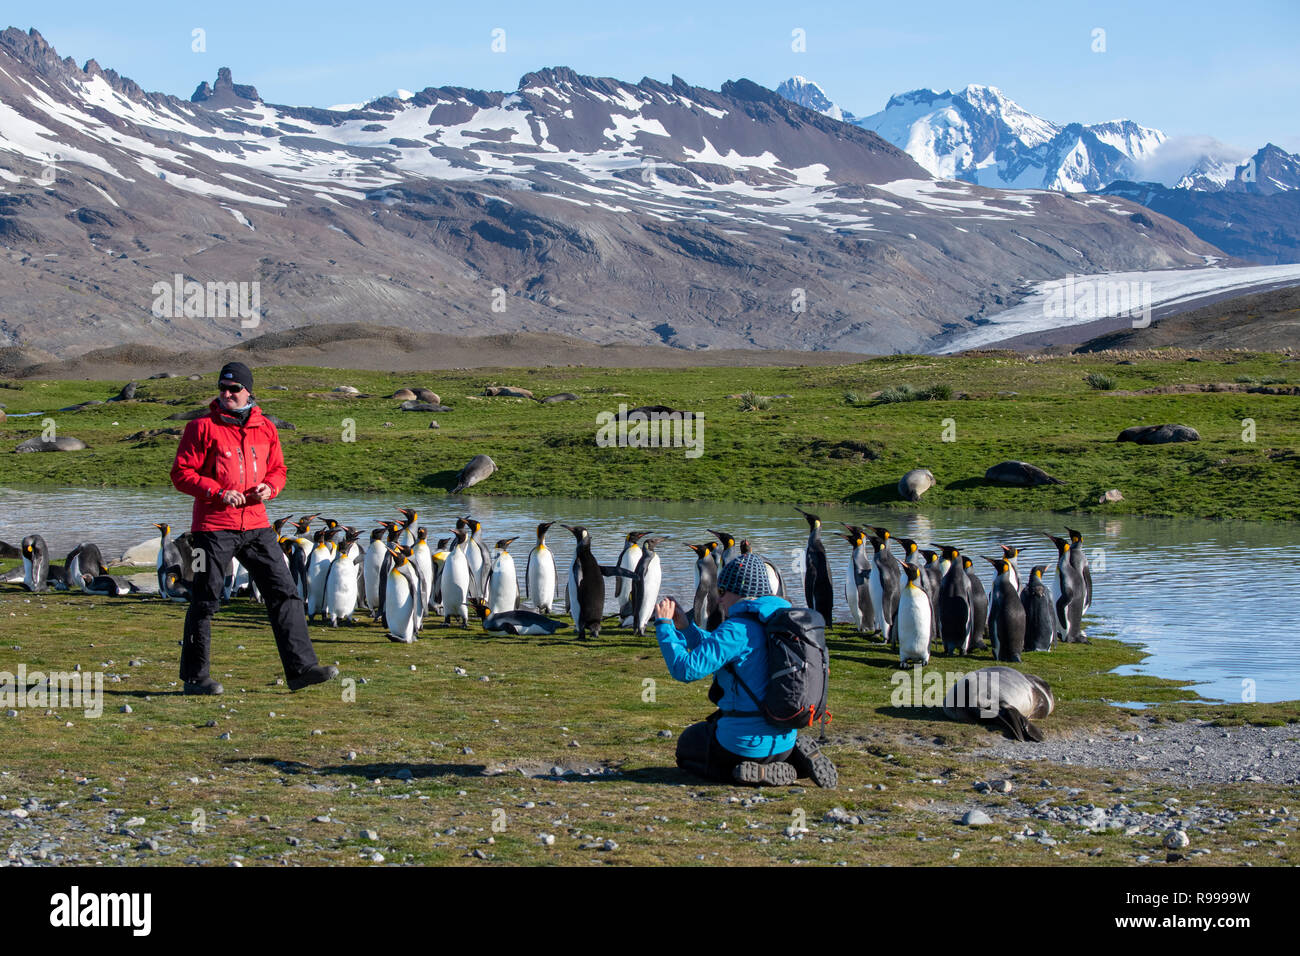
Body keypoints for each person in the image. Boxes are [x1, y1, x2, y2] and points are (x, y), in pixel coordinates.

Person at [170, 362, 339, 695]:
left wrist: (270, 488)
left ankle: (301, 669)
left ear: (248, 391)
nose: (227, 394)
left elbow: (278, 470)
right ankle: (195, 678)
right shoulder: (202, 427)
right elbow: (181, 474)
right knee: (205, 599)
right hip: (212, 527)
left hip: (257, 525)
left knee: (285, 592)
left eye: (234, 389)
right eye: (222, 388)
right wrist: (216, 492)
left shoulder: (266, 429)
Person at [654, 552, 837, 787]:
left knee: (688, 747)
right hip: (784, 739)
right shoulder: (777, 623)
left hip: (741, 744)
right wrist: (687, 629)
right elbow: (721, 651)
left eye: (722, 592)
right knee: (725, 734)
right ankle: (793, 761)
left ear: (739, 592)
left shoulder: (736, 629)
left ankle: (748, 773)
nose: (718, 600)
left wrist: (664, 626)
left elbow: (685, 669)